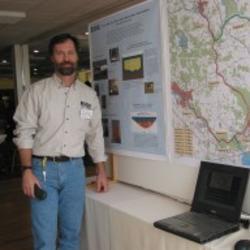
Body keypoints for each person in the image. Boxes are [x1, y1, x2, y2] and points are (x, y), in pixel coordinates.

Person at [13, 33, 108, 250]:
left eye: (70, 52)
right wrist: (26, 170)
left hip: (75, 171)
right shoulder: (37, 91)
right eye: (60, 53)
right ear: (53, 58)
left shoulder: (88, 95)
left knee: (71, 236)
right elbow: (24, 132)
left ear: (76, 56)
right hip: (42, 170)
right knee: (45, 238)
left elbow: (94, 134)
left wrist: (101, 170)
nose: (66, 57)